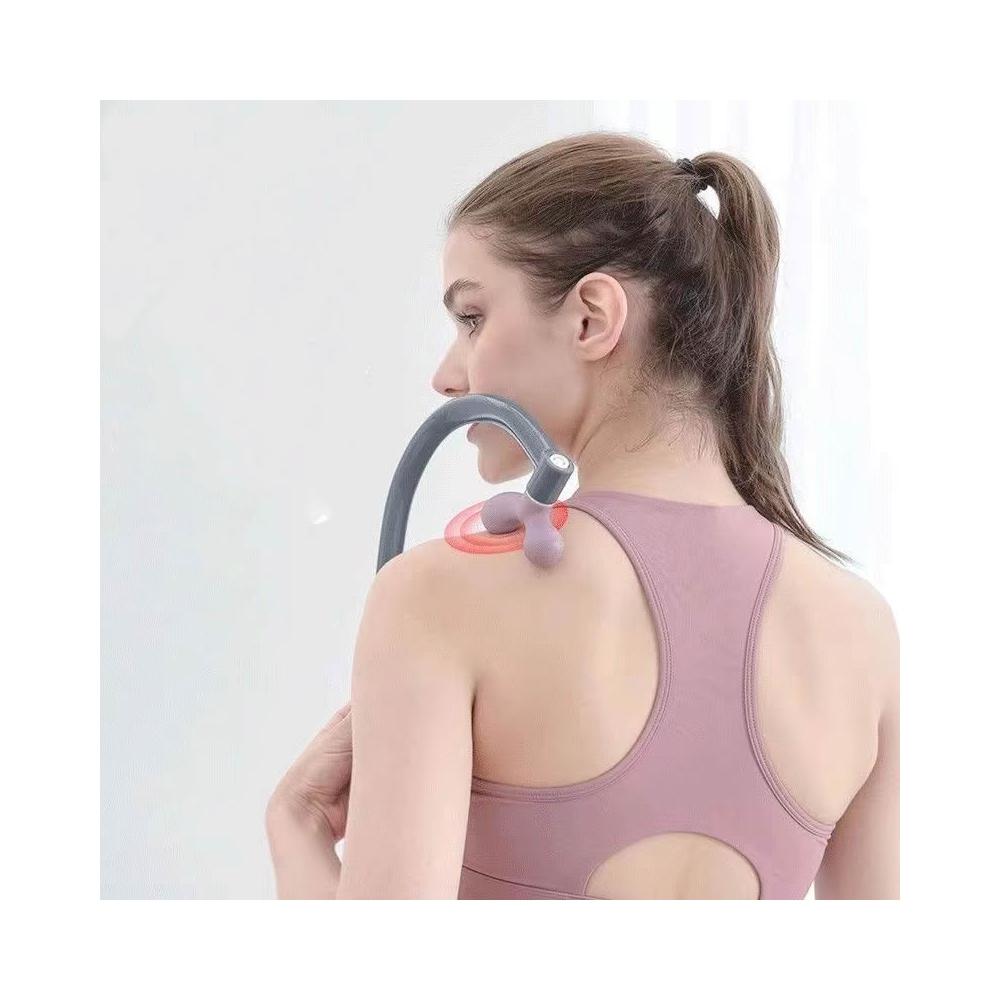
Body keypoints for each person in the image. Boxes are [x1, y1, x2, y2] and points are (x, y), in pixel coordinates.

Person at [266, 131, 899, 899]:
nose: (447, 375)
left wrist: (297, 828)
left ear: (592, 318)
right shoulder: (863, 631)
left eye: (472, 317)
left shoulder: (436, 598)